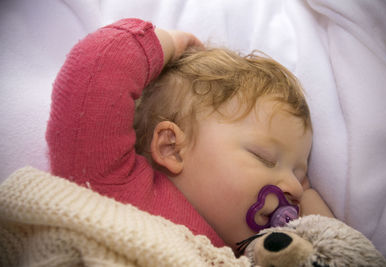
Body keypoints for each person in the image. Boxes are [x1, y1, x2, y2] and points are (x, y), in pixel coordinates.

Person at [46, 18, 333, 254]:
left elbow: (338, 250)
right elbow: (96, 74)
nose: (295, 189)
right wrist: (168, 43)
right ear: (172, 148)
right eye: (265, 158)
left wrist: (315, 220)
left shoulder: (258, 256)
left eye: (300, 174)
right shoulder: (122, 193)